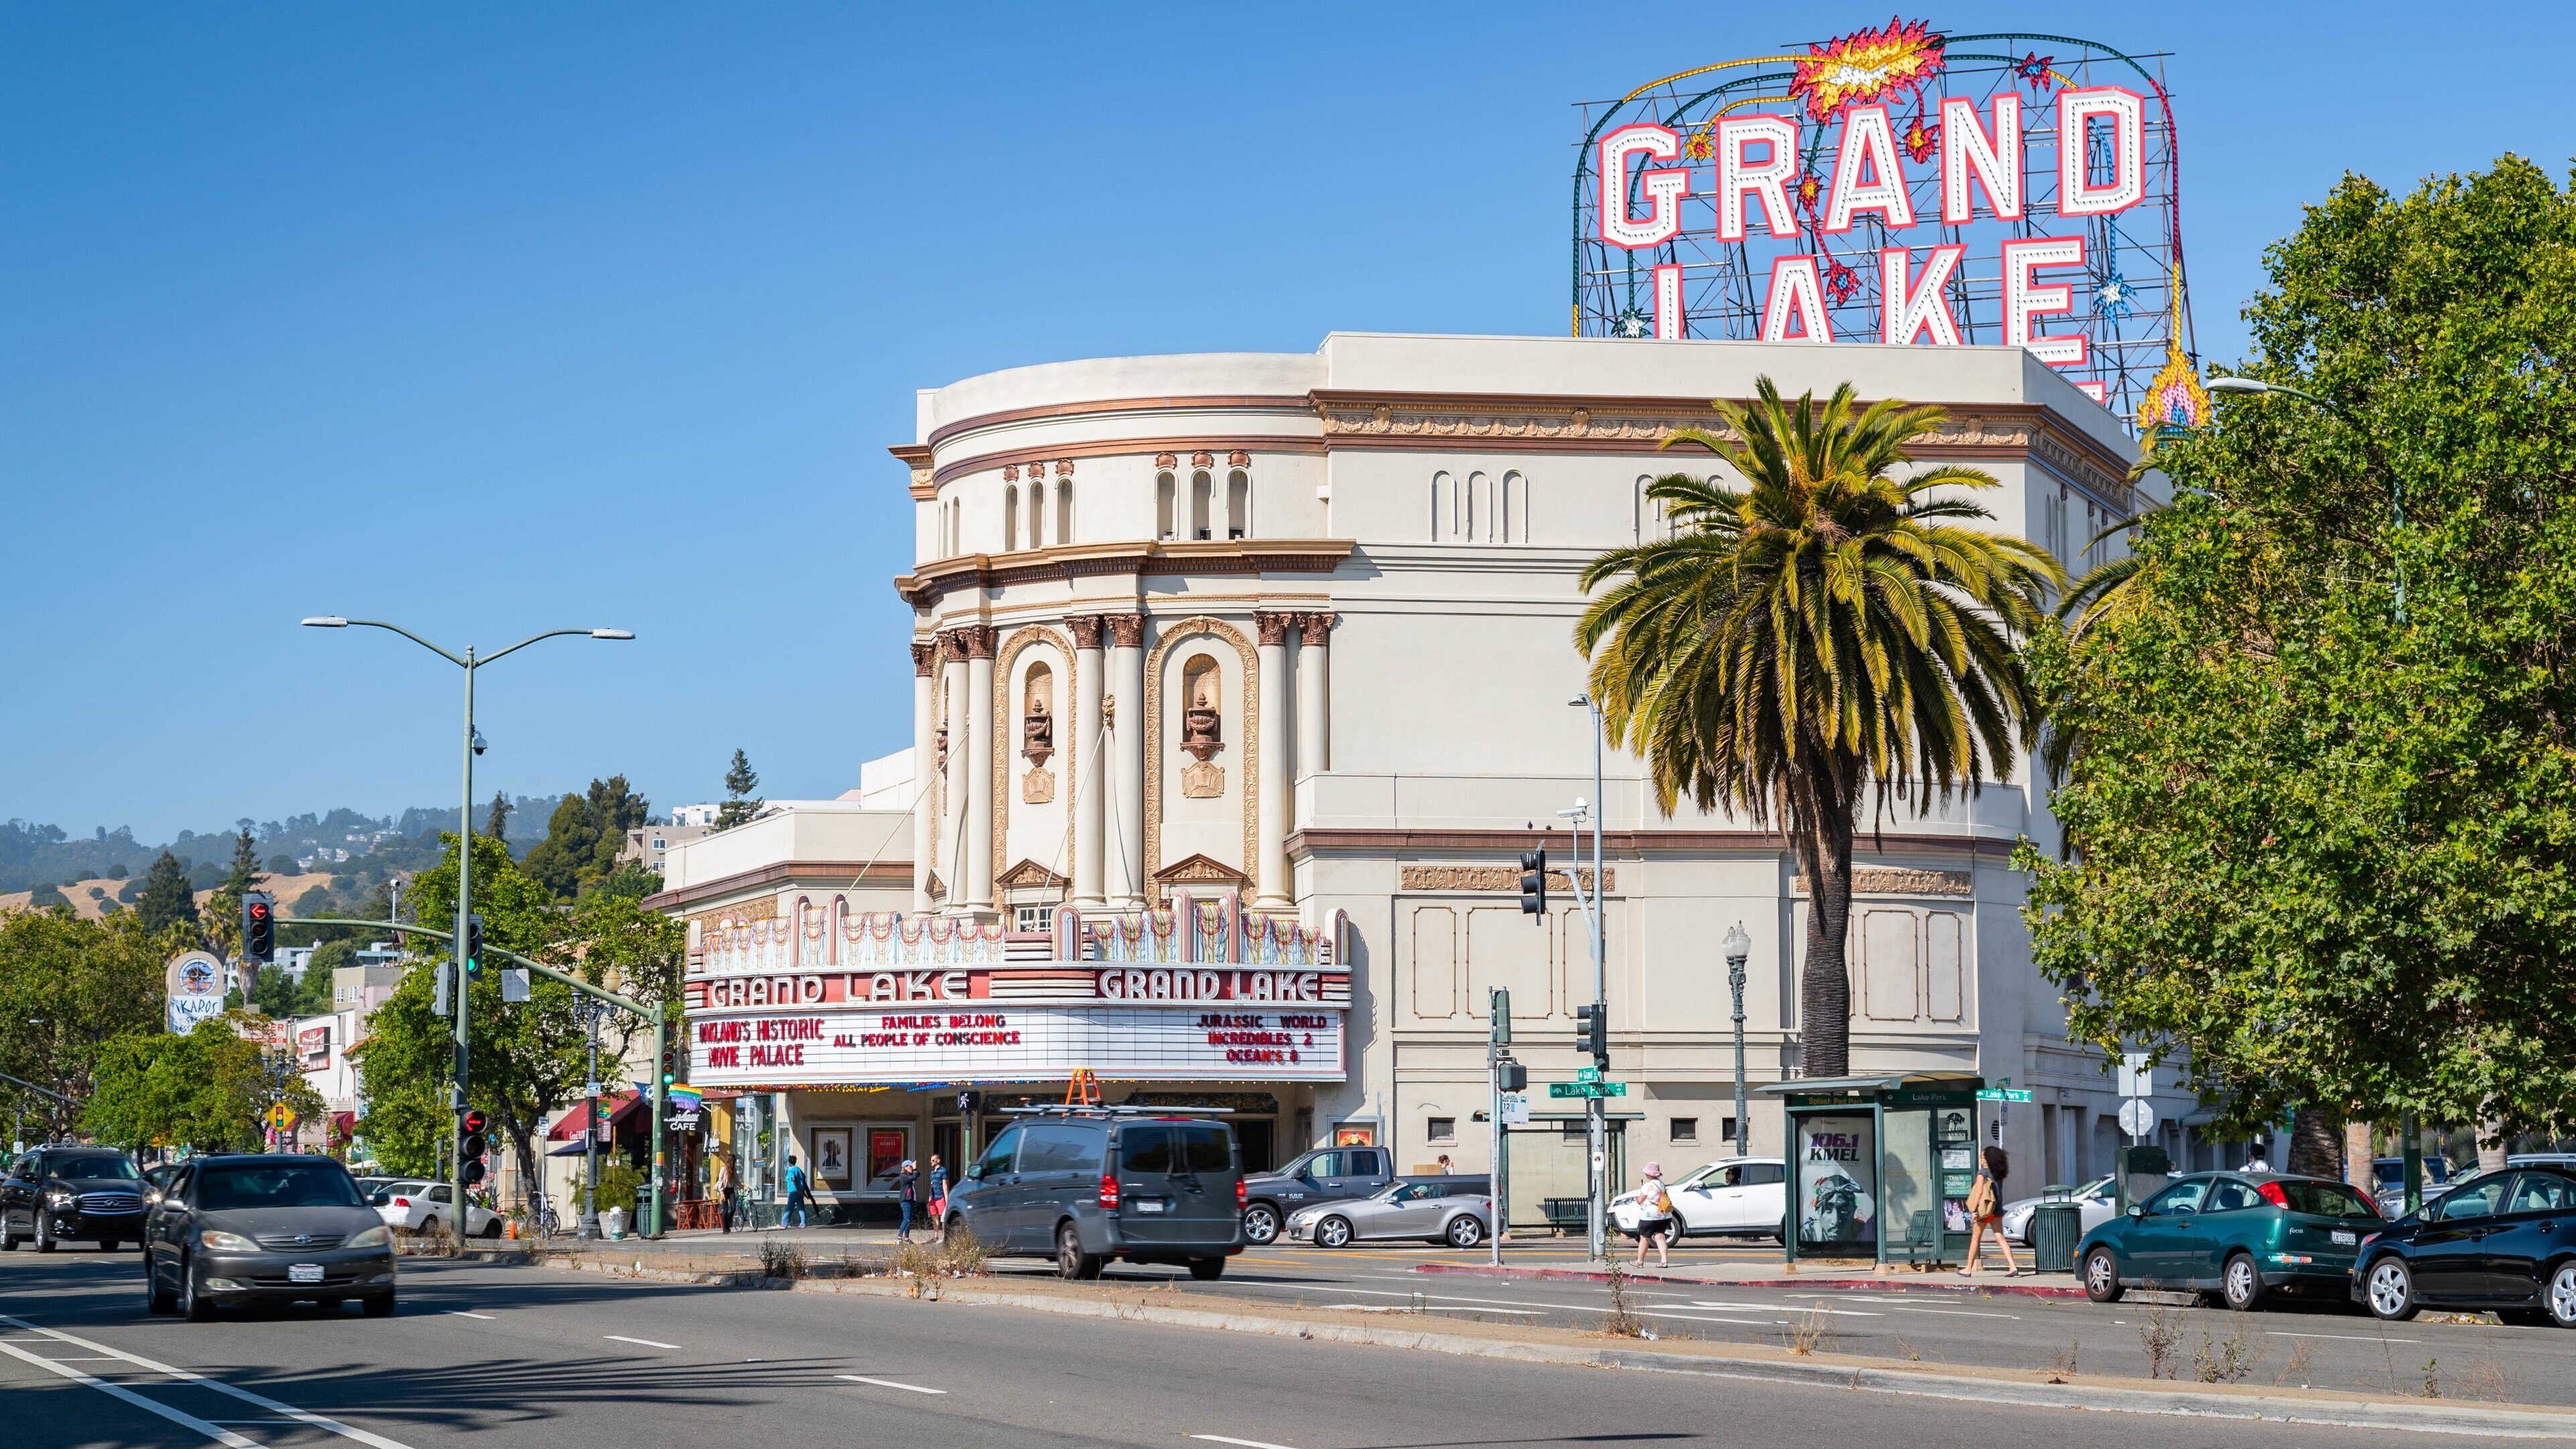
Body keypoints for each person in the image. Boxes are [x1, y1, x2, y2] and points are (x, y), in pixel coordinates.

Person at [1960, 1146, 2019, 1277]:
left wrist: (1973, 1210)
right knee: (2000, 1237)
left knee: (1975, 1239)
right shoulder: (1999, 1173)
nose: (1981, 1158)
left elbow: (1979, 1192)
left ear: (1988, 1159)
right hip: (1996, 1209)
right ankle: (2013, 1266)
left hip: (1984, 1210)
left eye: (1982, 1156)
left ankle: (1968, 1268)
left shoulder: (1983, 1173)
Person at [1631, 1161, 1674, 1269]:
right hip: (1665, 1216)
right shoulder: (1662, 1184)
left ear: (1649, 1174)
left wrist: (1638, 1200)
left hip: (1650, 1216)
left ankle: (1640, 1261)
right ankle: (1664, 1261)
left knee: (1644, 1238)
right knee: (1660, 1237)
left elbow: (1641, 1200)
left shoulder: (1648, 1185)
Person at [892, 1158, 920, 1243]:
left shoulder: (909, 1175)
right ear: (905, 1167)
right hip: (905, 1200)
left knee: (909, 1219)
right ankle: (899, 1237)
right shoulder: (903, 1176)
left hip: (911, 1199)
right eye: (910, 1167)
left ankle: (906, 1238)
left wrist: (915, 1170)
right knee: (907, 1219)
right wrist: (914, 1169)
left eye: (912, 1167)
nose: (912, 1168)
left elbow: (917, 1174)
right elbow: (914, 1177)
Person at [784, 1155, 810, 1229]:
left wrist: (797, 1189)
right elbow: (803, 1180)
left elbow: (794, 1180)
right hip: (801, 1191)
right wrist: (803, 1191)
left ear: (789, 1162)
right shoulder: (798, 1169)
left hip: (793, 1191)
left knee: (789, 1207)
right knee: (801, 1208)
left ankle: (784, 1224)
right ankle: (803, 1223)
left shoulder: (791, 1170)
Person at [714, 1157, 738, 1234]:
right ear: (731, 1161)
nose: (735, 1163)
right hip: (724, 1190)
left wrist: (744, 1186)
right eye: (734, 1161)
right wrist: (721, 1193)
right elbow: (720, 1181)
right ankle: (725, 1229)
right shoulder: (723, 1169)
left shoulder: (733, 1170)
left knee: (733, 1208)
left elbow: (737, 1181)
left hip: (731, 1190)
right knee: (724, 1210)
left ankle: (728, 1220)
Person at [925, 1153, 949, 1230]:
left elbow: (945, 1185)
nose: (931, 1162)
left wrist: (946, 1199)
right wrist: (929, 1198)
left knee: (943, 1217)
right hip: (933, 1198)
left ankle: (944, 1236)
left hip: (941, 1197)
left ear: (938, 1161)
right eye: (930, 1160)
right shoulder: (932, 1172)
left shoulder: (943, 1171)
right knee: (934, 1217)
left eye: (933, 1160)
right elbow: (931, 1185)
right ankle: (936, 1236)